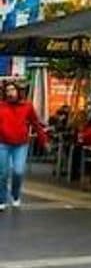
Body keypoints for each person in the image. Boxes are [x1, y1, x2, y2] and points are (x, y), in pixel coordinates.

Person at [0, 81, 48, 210]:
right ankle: (2, 199)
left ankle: (15, 195)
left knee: (18, 171)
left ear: (18, 92)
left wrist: (44, 141)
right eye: (8, 90)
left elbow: (36, 124)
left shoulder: (27, 106)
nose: (10, 93)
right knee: (3, 173)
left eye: (12, 90)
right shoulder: (1, 106)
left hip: (21, 144)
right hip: (3, 143)